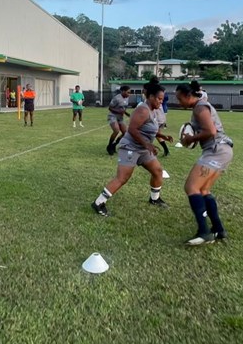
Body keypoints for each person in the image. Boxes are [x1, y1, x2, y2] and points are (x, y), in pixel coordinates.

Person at [91, 79, 168, 217]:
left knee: (157, 171)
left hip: (143, 148)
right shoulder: (143, 110)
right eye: (159, 99)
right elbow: (132, 129)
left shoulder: (153, 110)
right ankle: (98, 203)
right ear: (150, 97)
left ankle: (154, 199)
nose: (160, 102)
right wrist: (147, 144)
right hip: (130, 147)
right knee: (122, 178)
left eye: (162, 99)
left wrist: (162, 136)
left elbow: (148, 128)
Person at [175, 80, 234, 246]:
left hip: (216, 150)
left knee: (191, 187)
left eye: (180, 99)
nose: (179, 103)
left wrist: (190, 139)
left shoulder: (200, 107)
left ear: (188, 95)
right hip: (223, 150)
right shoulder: (200, 105)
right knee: (203, 189)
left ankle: (204, 231)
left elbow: (210, 131)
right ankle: (218, 229)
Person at [106, 85, 132, 155]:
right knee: (116, 131)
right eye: (128, 92)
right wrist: (118, 111)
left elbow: (123, 109)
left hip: (120, 118)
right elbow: (110, 108)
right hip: (113, 116)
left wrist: (127, 114)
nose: (129, 94)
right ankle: (109, 146)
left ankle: (114, 145)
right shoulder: (117, 98)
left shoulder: (127, 98)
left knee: (125, 133)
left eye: (129, 92)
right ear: (123, 91)